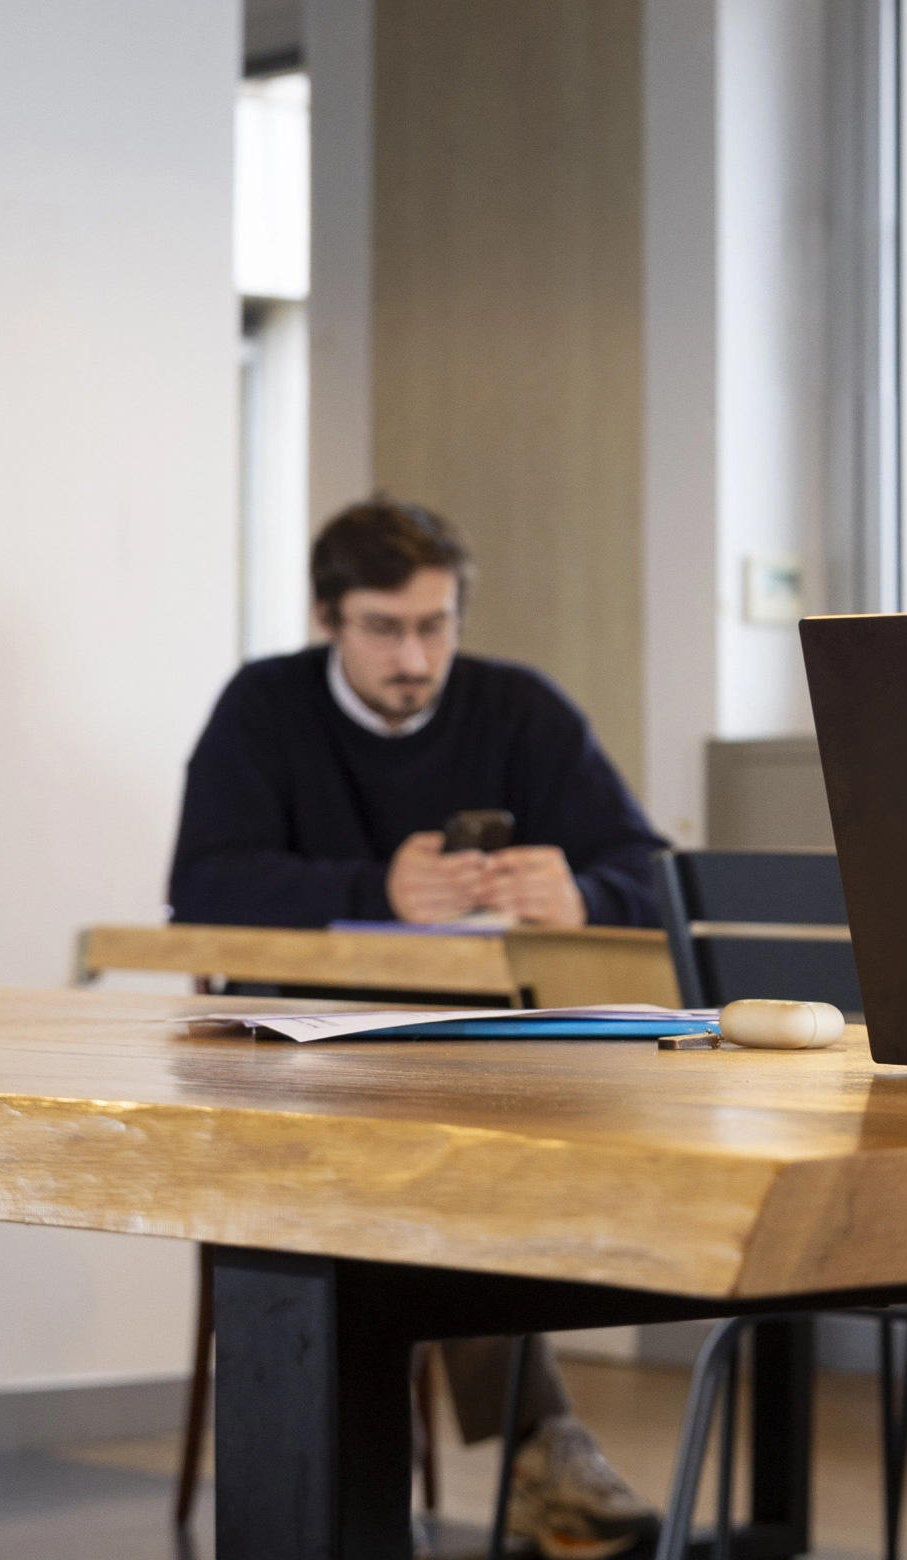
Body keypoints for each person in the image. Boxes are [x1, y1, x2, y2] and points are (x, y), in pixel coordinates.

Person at [169, 497, 668, 1560]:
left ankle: (416, 1472)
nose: (414, 657)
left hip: (469, 1056)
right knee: (434, 1172)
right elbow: (202, 882)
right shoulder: (264, 706)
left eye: (435, 627)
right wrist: (373, 889)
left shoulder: (518, 710)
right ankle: (529, 1452)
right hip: (290, 1059)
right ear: (327, 620)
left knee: (459, 1157)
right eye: (384, 629)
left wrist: (582, 892)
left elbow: (650, 870)